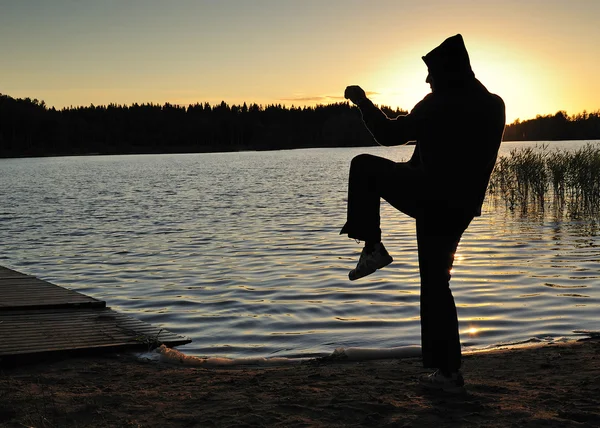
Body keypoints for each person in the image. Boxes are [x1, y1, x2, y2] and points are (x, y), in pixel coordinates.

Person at [340, 34, 505, 392]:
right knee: (436, 283)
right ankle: (448, 373)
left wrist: (362, 102)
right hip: (460, 208)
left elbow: (388, 134)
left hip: (429, 197)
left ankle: (372, 247)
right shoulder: (494, 105)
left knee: (364, 167)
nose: (427, 80)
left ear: (446, 72)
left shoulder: (437, 103)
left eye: (431, 72)